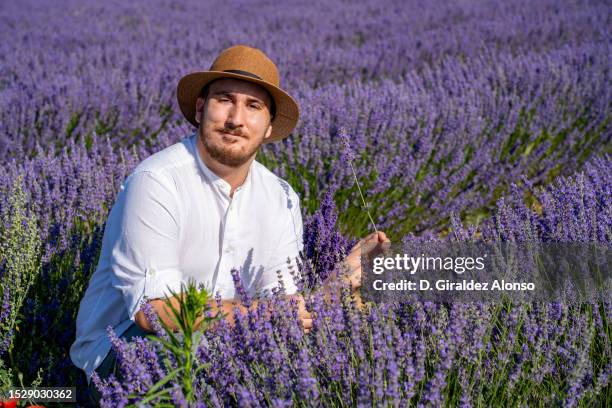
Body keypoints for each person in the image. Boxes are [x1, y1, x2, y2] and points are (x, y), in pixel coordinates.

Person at [69, 44, 389, 404]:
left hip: (221, 347)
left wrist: (331, 292)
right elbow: (154, 312)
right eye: (224, 100)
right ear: (201, 108)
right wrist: (264, 315)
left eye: (253, 106)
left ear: (268, 127)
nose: (236, 119)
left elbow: (279, 305)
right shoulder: (157, 182)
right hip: (127, 352)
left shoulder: (281, 197)